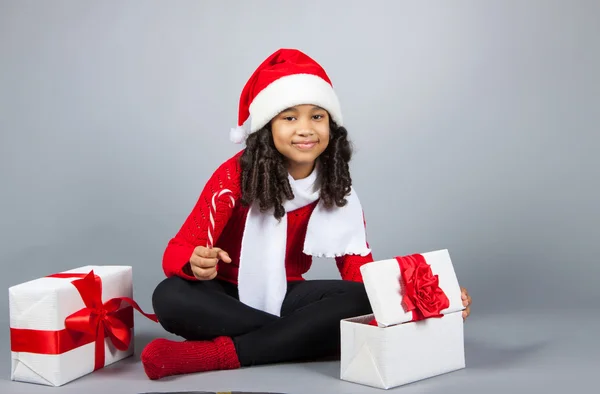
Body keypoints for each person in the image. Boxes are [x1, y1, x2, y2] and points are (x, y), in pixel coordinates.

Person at [141, 48, 472, 380]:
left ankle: (221, 354)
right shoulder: (233, 177)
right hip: (223, 294)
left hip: (286, 293)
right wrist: (194, 261)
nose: (305, 129)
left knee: (364, 297)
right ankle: (308, 339)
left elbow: (360, 270)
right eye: (289, 117)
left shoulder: (335, 185)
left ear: (332, 126)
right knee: (169, 295)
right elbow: (177, 252)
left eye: (317, 116)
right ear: (267, 127)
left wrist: (431, 296)